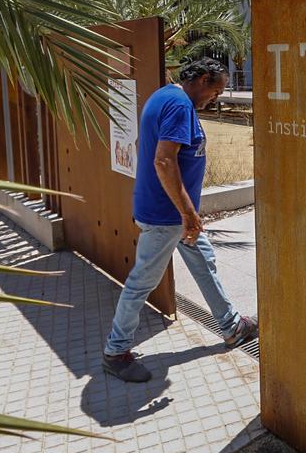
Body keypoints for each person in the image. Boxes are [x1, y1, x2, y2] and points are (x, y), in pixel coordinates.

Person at [103, 58, 257, 382]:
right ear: (202, 79)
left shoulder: (164, 96)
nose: (214, 99)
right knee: (142, 281)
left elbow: (145, 147)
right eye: (215, 92)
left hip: (176, 215)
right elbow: (163, 161)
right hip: (168, 217)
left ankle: (231, 326)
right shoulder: (178, 105)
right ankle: (115, 352)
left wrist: (189, 215)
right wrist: (187, 213)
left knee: (204, 261)